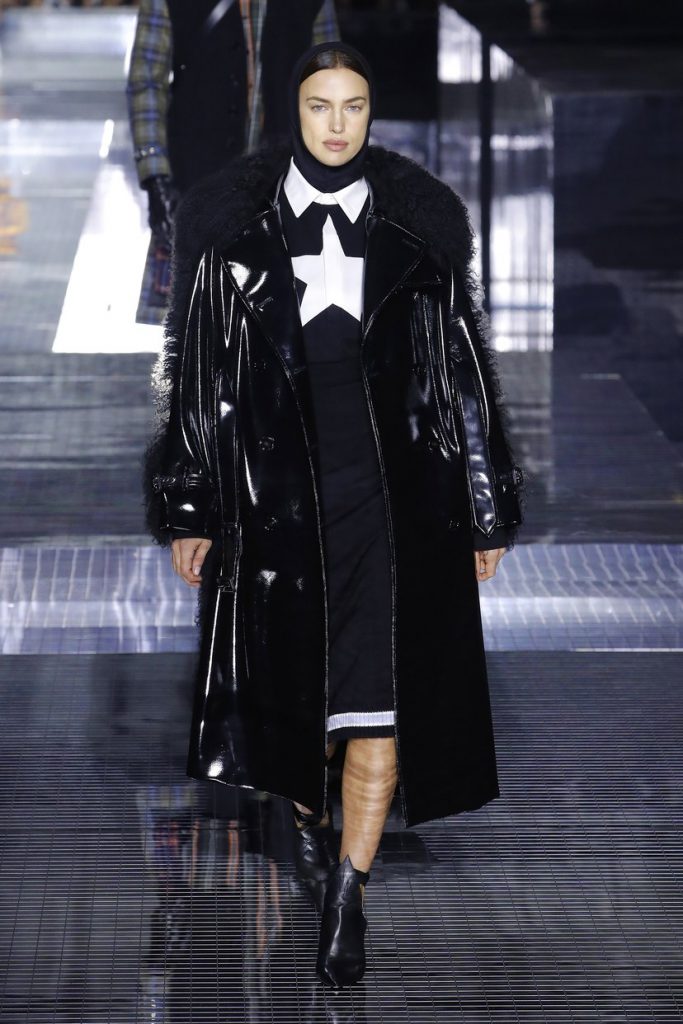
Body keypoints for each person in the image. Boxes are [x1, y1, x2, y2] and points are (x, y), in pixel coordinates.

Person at [146, 40, 523, 988]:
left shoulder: (418, 242)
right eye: (321, 105)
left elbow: (463, 378)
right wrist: (191, 505)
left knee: (379, 712)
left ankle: (348, 895)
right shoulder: (233, 244)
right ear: (296, 113)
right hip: (276, 514)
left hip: (395, 510)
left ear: (370, 116)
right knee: (303, 702)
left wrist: (484, 508)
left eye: (354, 106)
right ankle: (313, 819)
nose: (338, 124)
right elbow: (198, 384)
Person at [126, 0, 338, 320]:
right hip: (197, 179)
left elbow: (331, 83)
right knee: (197, 325)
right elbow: (146, 81)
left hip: (284, 186)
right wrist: (155, 175)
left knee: (280, 326)